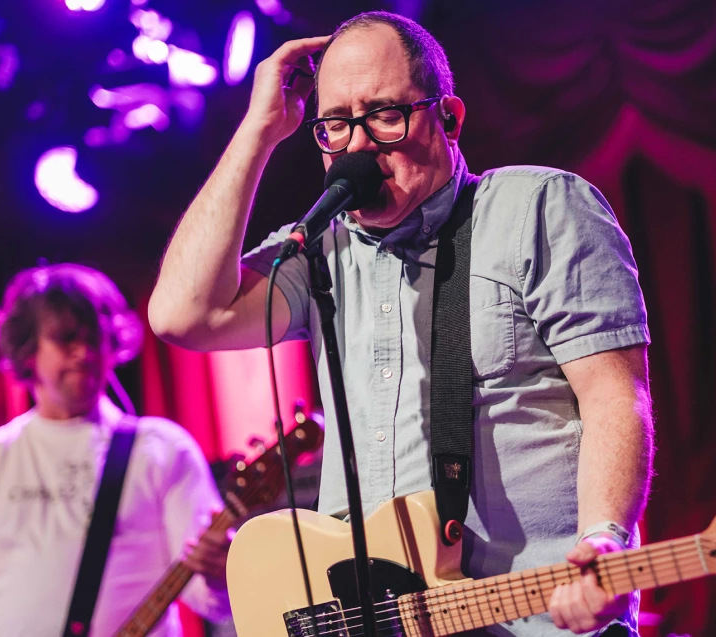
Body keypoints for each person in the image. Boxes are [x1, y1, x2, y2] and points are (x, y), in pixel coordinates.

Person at [149, 11, 653, 637]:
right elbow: (182, 315)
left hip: (537, 617)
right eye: (335, 125)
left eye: (385, 114)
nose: (357, 145)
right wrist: (258, 132)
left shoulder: (538, 208)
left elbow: (614, 395)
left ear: (449, 117)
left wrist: (604, 538)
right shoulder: (319, 254)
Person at [0, 263, 232, 637]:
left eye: (95, 338)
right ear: (27, 350)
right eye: (66, 338)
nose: (84, 353)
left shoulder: (161, 449)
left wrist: (219, 570)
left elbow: (211, 602)